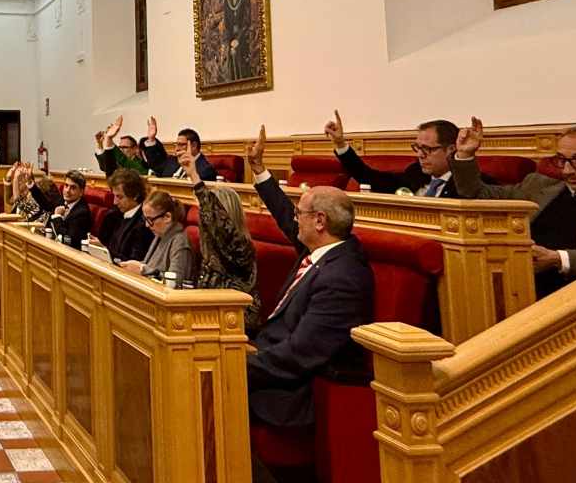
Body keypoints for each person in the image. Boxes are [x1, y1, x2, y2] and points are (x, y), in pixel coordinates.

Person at [246, 124, 374, 428]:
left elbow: (300, 354)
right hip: (267, 357)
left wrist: (237, 363)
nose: (294, 219)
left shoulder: (343, 278)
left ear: (319, 221)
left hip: (290, 392)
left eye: (299, 213)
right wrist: (259, 170)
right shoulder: (319, 248)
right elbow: (282, 213)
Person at [452, 119, 576, 298]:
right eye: (562, 160)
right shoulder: (538, 186)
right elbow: (477, 194)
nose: (567, 170)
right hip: (517, 284)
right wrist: (465, 155)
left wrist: (559, 259)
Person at [180, 151, 260, 337]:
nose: (203, 221)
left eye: (206, 216)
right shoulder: (212, 249)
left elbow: (221, 227)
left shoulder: (241, 248)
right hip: (210, 318)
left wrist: (195, 179)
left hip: (234, 324)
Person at [324, 110, 487, 196]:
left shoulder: (473, 185)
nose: (420, 155)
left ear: (451, 149)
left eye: (427, 149)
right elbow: (370, 177)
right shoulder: (415, 173)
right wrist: (340, 144)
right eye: (418, 148)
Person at [118, 191, 196, 281]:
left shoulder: (180, 241)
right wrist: (134, 266)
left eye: (150, 220)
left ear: (167, 217)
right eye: (145, 219)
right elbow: (150, 266)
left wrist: (143, 270)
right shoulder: (159, 235)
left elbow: (176, 280)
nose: (147, 225)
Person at [93, 168, 155, 263]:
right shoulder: (113, 215)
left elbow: (134, 262)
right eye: (114, 196)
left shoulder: (144, 223)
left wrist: (105, 250)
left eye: (120, 197)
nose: (115, 202)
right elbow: (103, 242)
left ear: (135, 195)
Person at [28, 168, 91, 249]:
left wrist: (57, 216)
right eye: (66, 186)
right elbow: (47, 206)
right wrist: (32, 186)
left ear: (81, 192)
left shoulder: (82, 212)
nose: (67, 190)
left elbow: (68, 239)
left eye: (73, 188)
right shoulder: (63, 200)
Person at [140, 117, 217, 180]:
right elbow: (155, 165)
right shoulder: (172, 161)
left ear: (194, 146)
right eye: (176, 144)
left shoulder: (206, 170)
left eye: (181, 145)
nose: (177, 149)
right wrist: (151, 139)